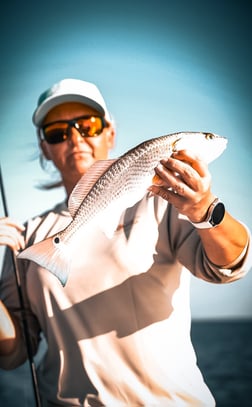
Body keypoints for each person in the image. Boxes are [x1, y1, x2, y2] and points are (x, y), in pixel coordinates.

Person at [0, 78, 251, 407]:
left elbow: (228, 266)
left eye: (88, 125)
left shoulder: (164, 200)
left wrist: (205, 211)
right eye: (57, 132)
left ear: (110, 133)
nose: (75, 137)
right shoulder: (25, 237)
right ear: (45, 147)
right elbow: (14, 351)